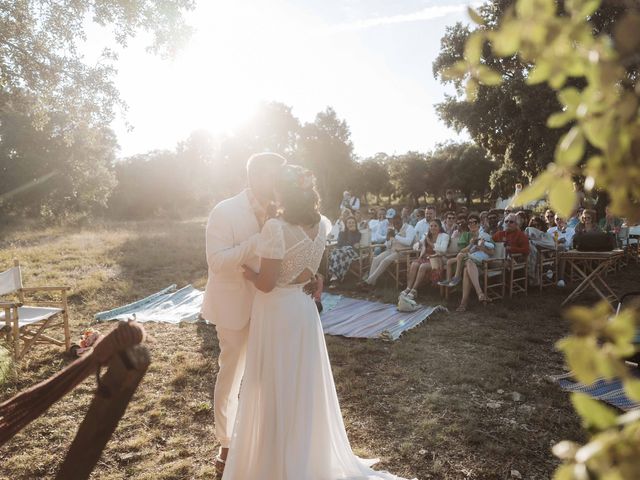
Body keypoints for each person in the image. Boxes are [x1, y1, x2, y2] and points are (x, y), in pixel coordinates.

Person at [223, 165, 413, 480]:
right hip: (303, 309)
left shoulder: (276, 228)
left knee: (273, 383)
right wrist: (317, 277)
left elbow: (268, 283)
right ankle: (304, 451)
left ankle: (275, 458)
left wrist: (247, 270)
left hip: (278, 312)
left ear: (283, 192)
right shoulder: (322, 224)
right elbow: (313, 269)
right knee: (302, 384)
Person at [200, 152, 287, 473]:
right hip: (233, 305)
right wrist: (256, 241)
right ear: (256, 176)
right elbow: (217, 262)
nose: (280, 182)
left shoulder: (285, 210)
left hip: (272, 305)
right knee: (231, 374)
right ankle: (226, 444)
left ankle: (258, 441)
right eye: (275, 175)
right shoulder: (225, 211)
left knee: (265, 377)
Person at [438, 213, 491, 288]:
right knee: (450, 261)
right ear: (468, 225)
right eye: (470, 223)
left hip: (479, 259)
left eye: (474, 222)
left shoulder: (484, 235)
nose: (472, 224)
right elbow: (462, 250)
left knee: (460, 262)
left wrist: (479, 247)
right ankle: (450, 281)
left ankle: (456, 279)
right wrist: (471, 245)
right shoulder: (466, 234)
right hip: (467, 256)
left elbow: (491, 251)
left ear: (479, 224)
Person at [400, 219, 449, 300]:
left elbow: (443, 250)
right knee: (414, 264)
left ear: (439, 227)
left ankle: (414, 290)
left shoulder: (444, 236)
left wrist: (430, 243)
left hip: (436, 259)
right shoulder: (427, 235)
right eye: (431, 226)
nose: (433, 228)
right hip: (425, 257)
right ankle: (408, 288)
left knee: (423, 266)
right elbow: (418, 244)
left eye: (435, 226)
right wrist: (418, 244)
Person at [363, 214, 416, 287]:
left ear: (402, 221)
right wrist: (388, 239)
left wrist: (395, 236)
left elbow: (408, 242)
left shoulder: (409, 228)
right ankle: (372, 283)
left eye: (398, 223)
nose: (396, 225)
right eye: (394, 224)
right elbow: (388, 246)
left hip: (403, 252)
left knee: (385, 260)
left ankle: (368, 282)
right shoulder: (393, 229)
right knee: (376, 259)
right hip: (391, 250)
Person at [328, 216, 361, 283]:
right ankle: (336, 278)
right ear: (346, 224)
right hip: (342, 253)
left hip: (352, 253)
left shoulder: (358, 234)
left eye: (353, 223)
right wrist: (349, 244)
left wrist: (351, 233)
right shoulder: (341, 233)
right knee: (339, 253)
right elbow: (339, 244)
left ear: (355, 224)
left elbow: (353, 246)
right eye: (349, 223)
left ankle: (334, 276)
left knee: (336, 252)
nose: (351, 224)